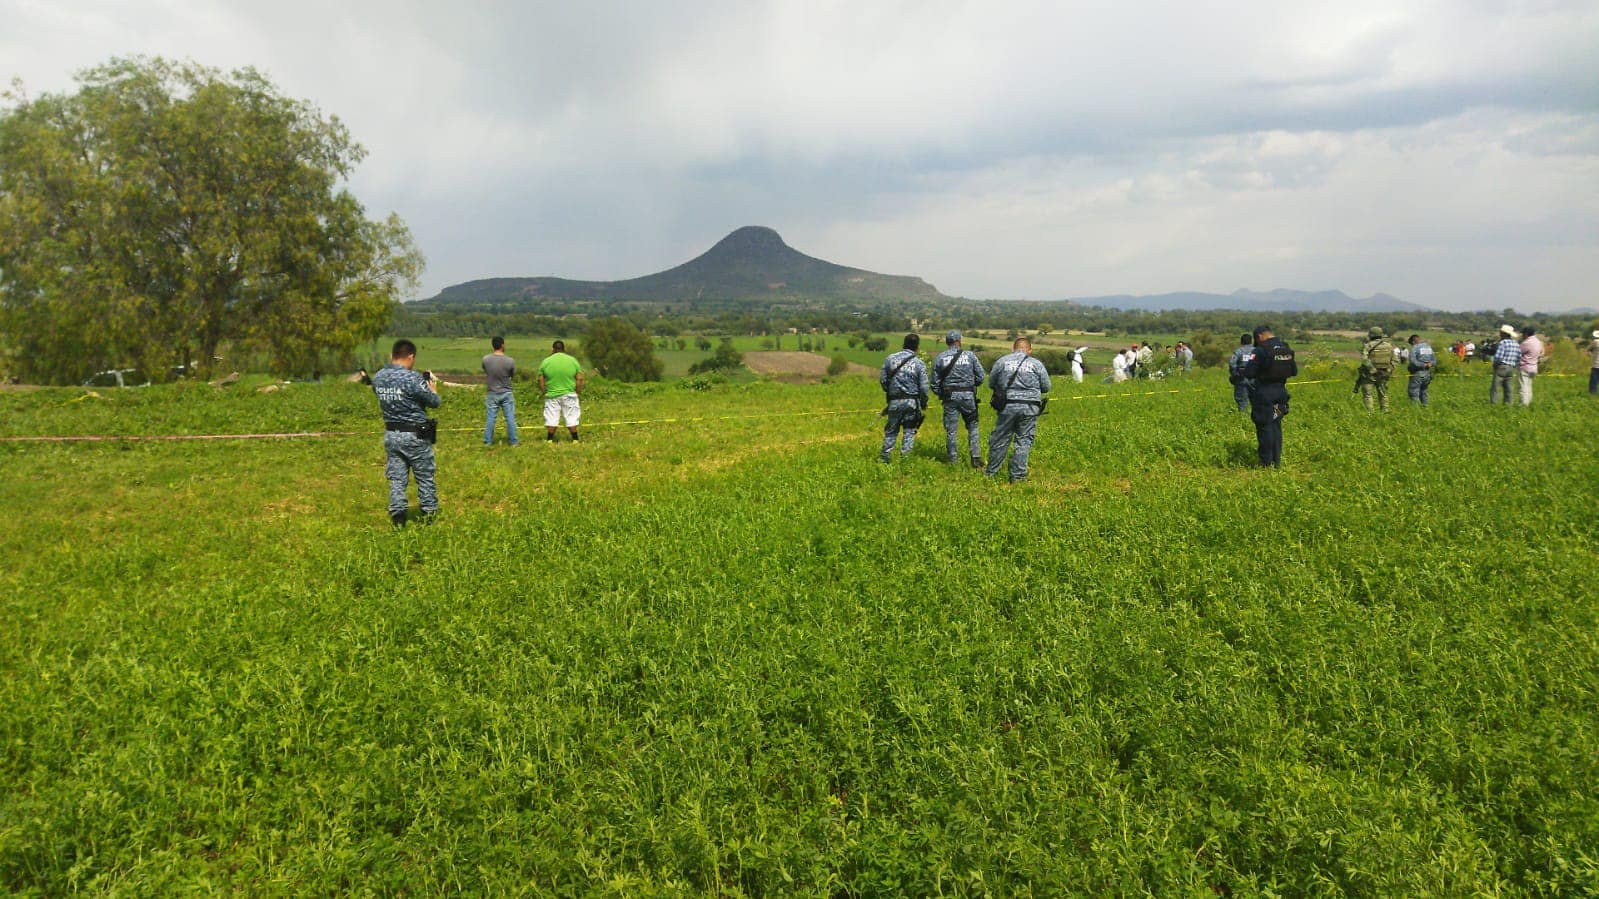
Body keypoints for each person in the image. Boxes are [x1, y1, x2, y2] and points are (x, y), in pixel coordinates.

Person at [371, 338, 442, 527]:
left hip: (392, 434)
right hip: (415, 435)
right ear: (410, 356)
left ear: (392, 355)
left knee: (396, 477)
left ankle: (398, 516)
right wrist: (433, 390)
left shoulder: (378, 377)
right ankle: (428, 514)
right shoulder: (413, 379)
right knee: (424, 475)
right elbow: (434, 402)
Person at [985, 336, 1052, 482]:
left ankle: (991, 473)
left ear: (1013, 348)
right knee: (1023, 440)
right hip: (1030, 407)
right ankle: (1018, 476)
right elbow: (1046, 387)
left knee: (1000, 439)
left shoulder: (1002, 361)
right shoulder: (1036, 364)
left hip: (1007, 406)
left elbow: (991, 383)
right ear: (1029, 350)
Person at [1241, 325, 1296, 468]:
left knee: (1265, 426)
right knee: (1276, 424)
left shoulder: (1261, 350)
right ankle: (1276, 462)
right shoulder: (1285, 348)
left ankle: (1265, 463)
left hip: (1265, 395)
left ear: (1259, 336)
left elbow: (1249, 372)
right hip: (1281, 394)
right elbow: (1294, 371)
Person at [931, 330, 985, 467]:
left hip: (949, 397)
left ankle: (952, 460)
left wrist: (941, 394)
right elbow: (981, 376)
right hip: (968, 397)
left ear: (947, 342)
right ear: (959, 341)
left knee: (951, 430)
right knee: (973, 427)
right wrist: (972, 385)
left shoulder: (940, 357)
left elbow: (934, 382)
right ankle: (976, 458)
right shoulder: (970, 356)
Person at [879, 333, 930, 463]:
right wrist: (923, 403)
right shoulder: (919, 364)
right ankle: (905, 460)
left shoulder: (890, 359)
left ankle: (885, 458)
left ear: (903, 344)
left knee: (891, 431)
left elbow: (883, 380)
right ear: (917, 347)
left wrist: (891, 393)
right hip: (912, 403)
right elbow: (924, 388)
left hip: (894, 402)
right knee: (909, 431)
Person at [537, 340, 584, 441]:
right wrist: (578, 391)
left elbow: (540, 379)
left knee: (551, 418)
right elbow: (579, 378)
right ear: (564, 349)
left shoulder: (546, 361)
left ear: (553, 349)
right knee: (571, 417)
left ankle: (549, 440)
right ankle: (575, 439)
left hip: (552, 395)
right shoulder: (572, 360)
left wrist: (544, 390)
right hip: (569, 393)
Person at [482, 336, 518, 446]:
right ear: (502, 345)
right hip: (506, 392)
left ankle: (488, 441)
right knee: (510, 418)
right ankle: (513, 441)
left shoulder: (486, 359)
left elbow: (486, 371)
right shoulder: (510, 361)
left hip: (491, 392)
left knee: (491, 418)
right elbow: (512, 374)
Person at [1357, 326, 1396, 412]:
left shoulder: (1368, 345)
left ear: (1370, 335)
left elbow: (1364, 359)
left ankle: (1370, 413)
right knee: (1383, 394)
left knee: (1368, 394)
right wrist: (1388, 370)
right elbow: (1395, 360)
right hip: (1383, 374)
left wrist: (1373, 370)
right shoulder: (1389, 346)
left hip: (1369, 375)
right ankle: (1385, 411)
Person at [1490, 324, 1520, 405]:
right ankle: (1508, 404)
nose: (1499, 333)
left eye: (1501, 332)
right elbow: (1518, 358)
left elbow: (1498, 357)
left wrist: (1495, 366)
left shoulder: (1503, 343)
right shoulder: (1516, 344)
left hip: (1502, 367)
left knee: (1495, 387)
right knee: (1508, 388)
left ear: (1504, 333)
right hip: (1511, 368)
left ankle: (1493, 404)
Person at [1227, 333, 1255, 412]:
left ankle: (1243, 418)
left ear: (1241, 342)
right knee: (1256, 401)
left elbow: (1232, 364)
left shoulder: (1238, 352)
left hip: (1241, 379)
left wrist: (1235, 374)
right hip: (1255, 380)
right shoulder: (1256, 351)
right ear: (1251, 341)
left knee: (1242, 402)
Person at [1406, 334, 1436, 406]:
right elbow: (1434, 361)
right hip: (1428, 374)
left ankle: (1416, 411)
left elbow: (1413, 362)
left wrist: (1423, 365)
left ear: (1413, 342)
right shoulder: (1428, 347)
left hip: (1417, 374)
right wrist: (1429, 364)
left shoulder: (1414, 348)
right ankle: (1425, 407)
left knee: (1413, 392)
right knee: (1424, 391)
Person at [1517, 326, 1542, 406]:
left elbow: (1518, 352)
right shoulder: (1538, 342)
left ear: (1526, 334)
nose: (1522, 336)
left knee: (1523, 387)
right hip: (1534, 367)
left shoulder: (1526, 343)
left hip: (1525, 367)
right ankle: (1529, 402)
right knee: (1529, 386)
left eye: (1523, 334)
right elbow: (1541, 353)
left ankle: (1523, 404)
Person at [1589, 330, 1599, 395]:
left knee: (1594, 380)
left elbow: (1589, 349)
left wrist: (1591, 355)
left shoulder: (1595, 342)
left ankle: (1593, 392)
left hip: (1596, 364)